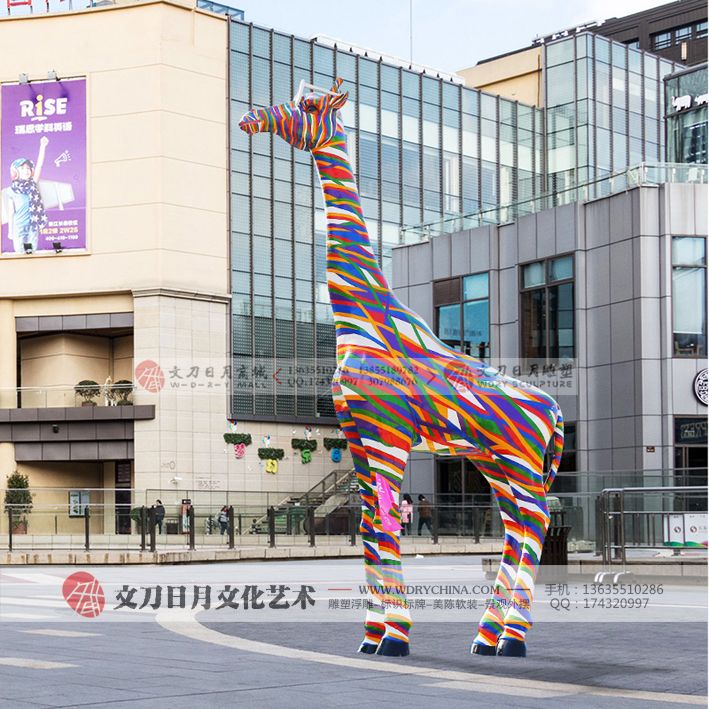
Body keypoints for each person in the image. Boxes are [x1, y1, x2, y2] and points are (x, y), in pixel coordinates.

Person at [7, 136, 49, 254]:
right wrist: (10, 231)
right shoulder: (11, 191)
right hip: (19, 228)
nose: (26, 170)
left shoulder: (32, 184)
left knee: (31, 252)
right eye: (22, 168)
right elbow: (11, 212)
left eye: (28, 168)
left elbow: (40, 164)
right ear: (16, 172)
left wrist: (42, 146)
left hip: (32, 226)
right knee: (20, 253)